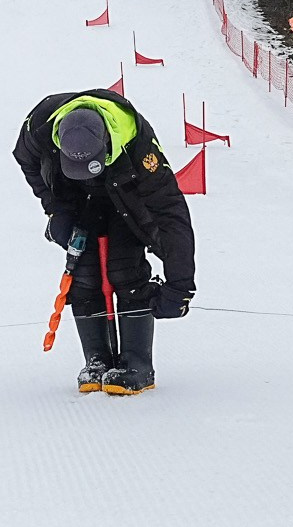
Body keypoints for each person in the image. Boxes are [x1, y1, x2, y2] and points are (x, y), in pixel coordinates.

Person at [14, 88, 196, 395]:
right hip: (74, 197)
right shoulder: (39, 128)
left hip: (125, 193)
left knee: (124, 269)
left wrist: (181, 285)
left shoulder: (137, 144)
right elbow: (27, 162)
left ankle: (136, 364)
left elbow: (170, 211)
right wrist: (54, 208)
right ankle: (97, 359)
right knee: (84, 273)